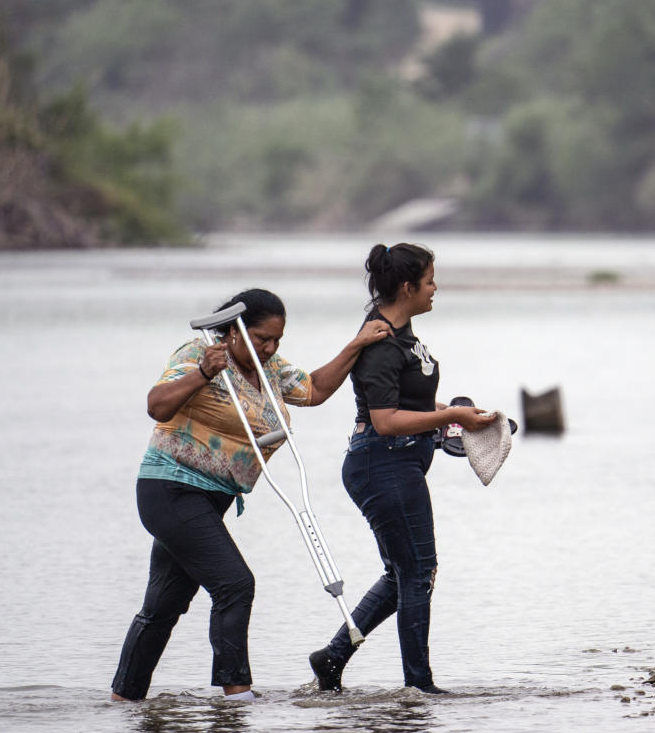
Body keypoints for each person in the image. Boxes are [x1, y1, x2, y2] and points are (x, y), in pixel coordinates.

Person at [111, 288, 392, 702]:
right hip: (170, 489)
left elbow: (313, 390)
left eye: (278, 339)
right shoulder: (199, 353)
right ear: (235, 331)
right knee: (235, 585)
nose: (271, 347)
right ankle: (236, 695)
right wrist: (204, 373)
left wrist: (356, 345)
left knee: (164, 604)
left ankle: (124, 700)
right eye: (263, 338)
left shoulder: (271, 366)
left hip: (211, 498)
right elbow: (157, 405)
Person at [308, 243, 496, 694]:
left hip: (398, 462)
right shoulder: (381, 342)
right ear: (408, 287)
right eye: (430, 280)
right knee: (418, 571)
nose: (436, 288)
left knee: (403, 573)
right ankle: (419, 686)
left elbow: (405, 402)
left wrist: (454, 411)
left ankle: (332, 657)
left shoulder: (401, 330)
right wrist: (451, 418)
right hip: (381, 462)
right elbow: (385, 420)